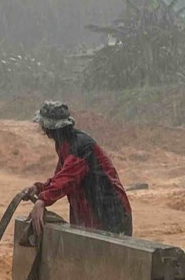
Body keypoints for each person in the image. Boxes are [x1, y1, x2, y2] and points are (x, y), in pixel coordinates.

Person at [22, 101, 132, 236]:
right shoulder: (64, 144)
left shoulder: (81, 146)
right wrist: (39, 188)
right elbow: (60, 177)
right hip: (90, 214)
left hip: (109, 215)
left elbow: (68, 178)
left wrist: (42, 200)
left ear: (48, 127)